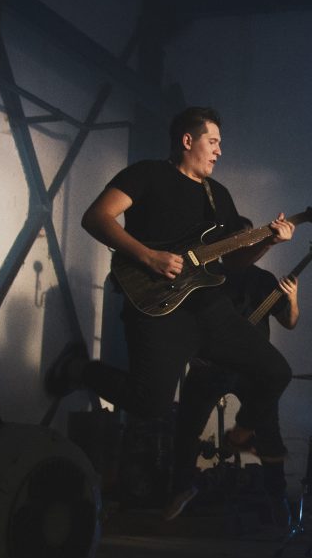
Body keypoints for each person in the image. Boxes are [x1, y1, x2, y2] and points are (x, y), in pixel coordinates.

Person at [71, 106, 296, 499]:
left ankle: (241, 433)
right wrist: (148, 256)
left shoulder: (218, 195)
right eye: (213, 141)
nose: (219, 151)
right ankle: (80, 369)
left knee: (276, 371)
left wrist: (269, 242)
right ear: (188, 140)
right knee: (150, 404)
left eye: (221, 143)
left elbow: (234, 262)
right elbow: (97, 217)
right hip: (157, 305)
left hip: (209, 307)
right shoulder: (146, 174)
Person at [164, 217, 301, 522]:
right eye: (237, 239)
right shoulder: (206, 278)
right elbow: (184, 321)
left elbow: (290, 322)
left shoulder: (263, 280)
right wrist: (192, 354)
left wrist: (292, 298)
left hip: (253, 370)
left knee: (269, 431)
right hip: (209, 365)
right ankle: (180, 489)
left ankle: (277, 498)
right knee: (186, 427)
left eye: (247, 239)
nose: (243, 244)